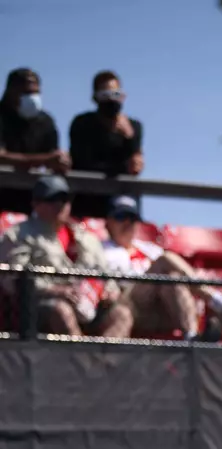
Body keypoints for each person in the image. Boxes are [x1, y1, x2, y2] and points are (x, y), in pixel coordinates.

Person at [101, 195, 222, 340]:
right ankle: (219, 303)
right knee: (166, 260)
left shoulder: (149, 248)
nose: (128, 223)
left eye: (132, 218)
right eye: (121, 217)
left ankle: (191, 337)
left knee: (173, 277)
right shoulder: (102, 250)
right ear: (108, 222)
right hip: (128, 306)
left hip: (160, 309)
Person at [0, 175, 132, 338]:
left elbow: (105, 274)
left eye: (65, 199)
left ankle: (102, 363)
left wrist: (110, 291)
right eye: (52, 199)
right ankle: (82, 361)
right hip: (40, 307)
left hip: (89, 304)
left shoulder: (87, 237)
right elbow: (12, 281)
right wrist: (55, 291)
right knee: (61, 310)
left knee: (121, 314)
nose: (60, 205)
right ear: (36, 204)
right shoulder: (18, 235)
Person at [69, 71, 143, 219]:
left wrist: (129, 138)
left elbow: (134, 167)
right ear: (95, 98)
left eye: (115, 94)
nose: (111, 100)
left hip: (120, 201)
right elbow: (81, 161)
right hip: (86, 200)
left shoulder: (134, 127)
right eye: (105, 95)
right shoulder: (82, 123)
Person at [0, 68, 70, 214]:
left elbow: (53, 157)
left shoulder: (46, 121)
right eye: (26, 93)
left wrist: (62, 161)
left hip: (34, 204)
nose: (32, 98)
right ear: (10, 92)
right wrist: (45, 159)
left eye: (36, 93)